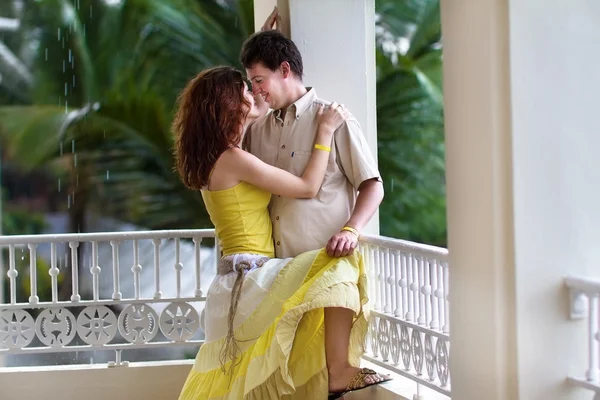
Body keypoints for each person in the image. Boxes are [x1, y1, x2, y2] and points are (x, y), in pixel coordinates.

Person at [173, 66, 390, 400]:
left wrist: (266, 46)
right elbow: (307, 187)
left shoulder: (214, 157)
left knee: (245, 384)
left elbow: (237, 89)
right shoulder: (233, 158)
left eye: (258, 81)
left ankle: (335, 372)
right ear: (231, 105)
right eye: (247, 89)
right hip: (252, 275)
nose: (256, 92)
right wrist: (325, 132)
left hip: (235, 279)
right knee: (339, 266)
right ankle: (339, 371)